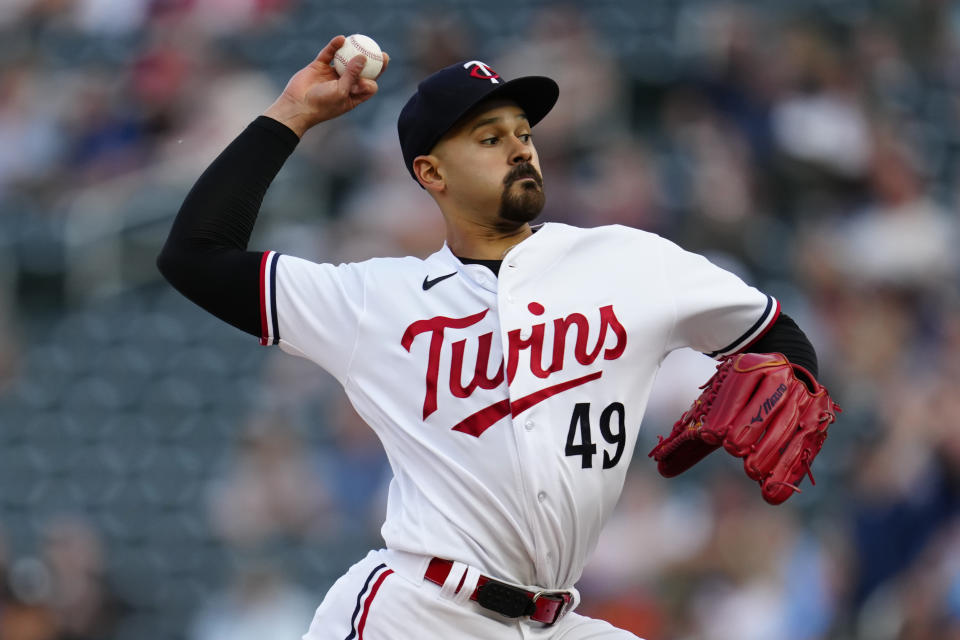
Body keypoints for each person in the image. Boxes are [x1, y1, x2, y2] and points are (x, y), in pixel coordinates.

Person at [158, 35, 822, 639]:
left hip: (557, 619)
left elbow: (774, 337)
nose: (518, 146)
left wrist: (790, 375)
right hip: (417, 613)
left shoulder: (628, 261)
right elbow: (194, 256)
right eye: (487, 136)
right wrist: (293, 112)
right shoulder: (374, 300)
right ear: (432, 174)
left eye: (522, 131)